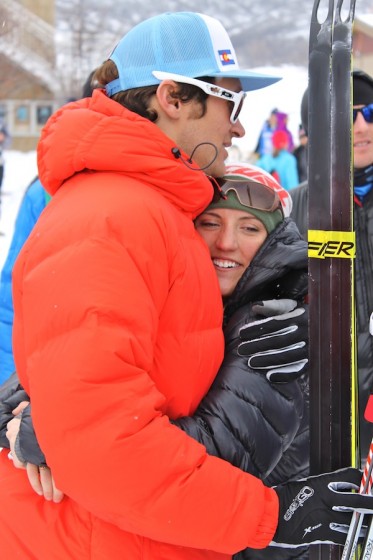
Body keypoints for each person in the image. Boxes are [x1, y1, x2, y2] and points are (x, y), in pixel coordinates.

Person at [0, 12, 372, 560]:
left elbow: (108, 381)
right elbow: (105, 447)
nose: (239, 128)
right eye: (230, 103)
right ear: (173, 98)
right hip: (92, 541)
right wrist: (267, 517)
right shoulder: (111, 218)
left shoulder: (155, 210)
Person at [1, 163, 310, 560]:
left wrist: (60, 439)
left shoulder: (275, 330)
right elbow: (29, 386)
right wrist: (39, 424)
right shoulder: (163, 299)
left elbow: (211, 460)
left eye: (249, 229)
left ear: (273, 242)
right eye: (210, 223)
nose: (226, 243)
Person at [291, 69, 373, 467]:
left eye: (372, 113)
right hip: (326, 409)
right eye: (348, 114)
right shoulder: (291, 210)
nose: (362, 127)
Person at [0, 70, 97, 385]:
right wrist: (9, 382)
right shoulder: (44, 189)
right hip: (53, 373)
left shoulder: (178, 186)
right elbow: (14, 291)